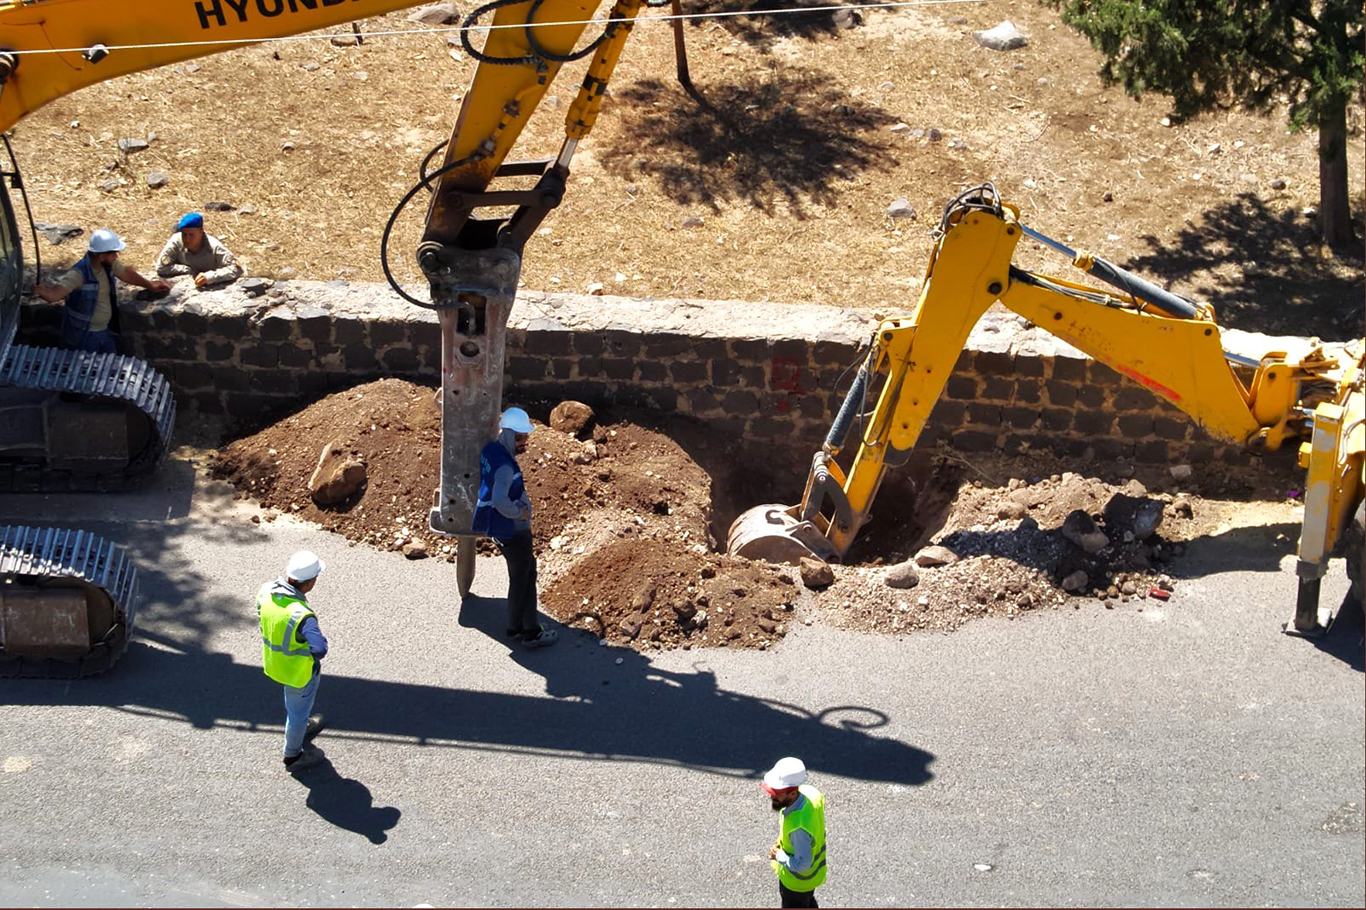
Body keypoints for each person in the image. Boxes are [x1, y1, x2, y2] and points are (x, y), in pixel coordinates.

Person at [471, 407, 558, 649]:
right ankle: (529, 631)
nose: (524, 442)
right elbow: (500, 500)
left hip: (500, 529)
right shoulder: (505, 467)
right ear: (509, 435)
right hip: (513, 531)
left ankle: (515, 626)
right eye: (520, 437)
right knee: (525, 579)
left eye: (525, 437)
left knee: (521, 575)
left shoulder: (491, 450)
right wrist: (520, 511)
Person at [32, 228, 170, 353]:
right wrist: (42, 291)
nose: (116, 256)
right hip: (84, 337)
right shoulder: (78, 274)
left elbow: (126, 274)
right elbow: (55, 295)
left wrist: (150, 285)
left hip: (104, 332)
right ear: (102, 256)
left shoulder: (108, 264)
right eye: (113, 253)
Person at [256, 550, 329, 772]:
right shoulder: (301, 614)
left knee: (296, 707)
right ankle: (293, 756)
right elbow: (319, 648)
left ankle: (302, 724)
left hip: (275, 663)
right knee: (296, 713)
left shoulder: (266, 591)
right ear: (309, 582)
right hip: (298, 673)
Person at [763, 757, 827, 908]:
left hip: (797, 884)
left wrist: (779, 856)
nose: (771, 795)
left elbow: (803, 864)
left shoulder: (798, 829)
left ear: (791, 794)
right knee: (808, 902)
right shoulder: (811, 793)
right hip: (810, 880)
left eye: (776, 792)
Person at [155, 212, 243, 287]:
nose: (187, 239)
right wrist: (187, 270)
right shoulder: (176, 241)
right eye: (184, 234)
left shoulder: (214, 247)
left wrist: (210, 276)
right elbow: (161, 267)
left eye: (191, 235)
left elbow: (236, 269)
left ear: (201, 231)